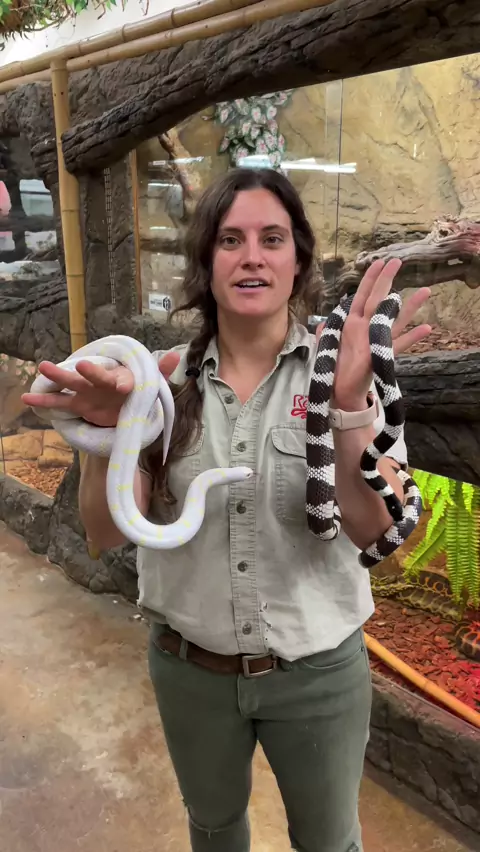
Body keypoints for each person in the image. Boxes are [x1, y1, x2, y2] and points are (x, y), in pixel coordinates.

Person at [23, 167, 431, 852]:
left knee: (330, 842)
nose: (251, 257)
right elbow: (103, 532)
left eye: (272, 238)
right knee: (214, 831)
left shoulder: (347, 370)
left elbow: (381, 539)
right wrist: (107, 434)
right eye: (230, 239)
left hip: (318, 674)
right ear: (205, 262)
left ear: (298, 259)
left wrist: (350, 408)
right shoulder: (156, 382)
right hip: (191, 671)